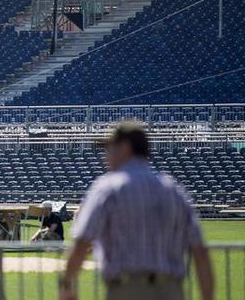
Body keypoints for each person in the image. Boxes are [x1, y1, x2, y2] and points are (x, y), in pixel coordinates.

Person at [60, 122, 213, 300]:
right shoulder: (173, 190)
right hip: (171, 290)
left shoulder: (108, 188)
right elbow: (200, 252)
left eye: (109, 149)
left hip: (127, 289)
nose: (105, 157)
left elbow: (82, 245)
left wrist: (67, 284)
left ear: (125, 148)